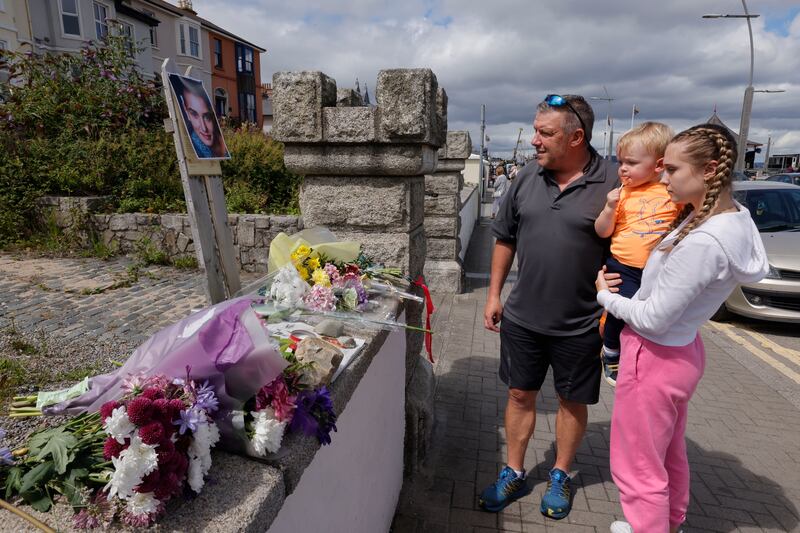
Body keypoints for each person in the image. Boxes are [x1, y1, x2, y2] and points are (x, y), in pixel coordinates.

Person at [595, 124, 768, 533]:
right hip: (680, 353)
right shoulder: (734, 218)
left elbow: (654, 317)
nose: (663, 177)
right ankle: (668, 524)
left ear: (710, 170)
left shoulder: (705, 241)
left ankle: (649, 527)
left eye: (671, 169)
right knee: (668, 453)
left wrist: (605, 295)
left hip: (652, 354)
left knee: (637, 464)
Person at [479, 94, 619, 519]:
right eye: (535, 131)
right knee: (520, 393)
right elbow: (505, 237)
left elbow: (639, 241)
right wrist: (493, 294)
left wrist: (625, 284)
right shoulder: (526, 178)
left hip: (582, 322)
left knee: (570, 400)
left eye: (545, 133)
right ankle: (515, 471)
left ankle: (560, 474)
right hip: (524, 318)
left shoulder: (615, 180)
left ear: (576, 137)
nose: (535, 140)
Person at [594, 122, 679, 386]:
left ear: (658, 165)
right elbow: (602, 231)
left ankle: (638, 358)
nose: (622, 168)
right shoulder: (621, 195)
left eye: (630, 162)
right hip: (623, 266)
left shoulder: (674, 193)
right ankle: (610, 352)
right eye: (621, 162)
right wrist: (609, 208)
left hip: (658, 269)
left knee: (651, 317)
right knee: (622, 311)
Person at [174, 76, 228, 158]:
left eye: (207, 116)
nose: (204, 128)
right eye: (194, 114)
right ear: (185, 111)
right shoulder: (194, 148)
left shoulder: (221, 144)